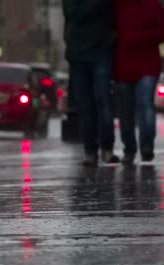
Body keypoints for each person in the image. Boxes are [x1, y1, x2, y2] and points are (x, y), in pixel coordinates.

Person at [63, 0, 120, 166]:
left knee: (103, 100)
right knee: (85, 105)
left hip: (101, 50)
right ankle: (90, 150)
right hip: (78, 54)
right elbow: (73, 13)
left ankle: (106, 148)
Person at [114, 0, 164, 165]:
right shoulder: (117, 6)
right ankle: (130, 149)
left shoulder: (152, 5)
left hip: (147, 64)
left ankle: (145, 147)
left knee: (144, 104)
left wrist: (139, 37)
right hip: (124, 65)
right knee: (126, 110)